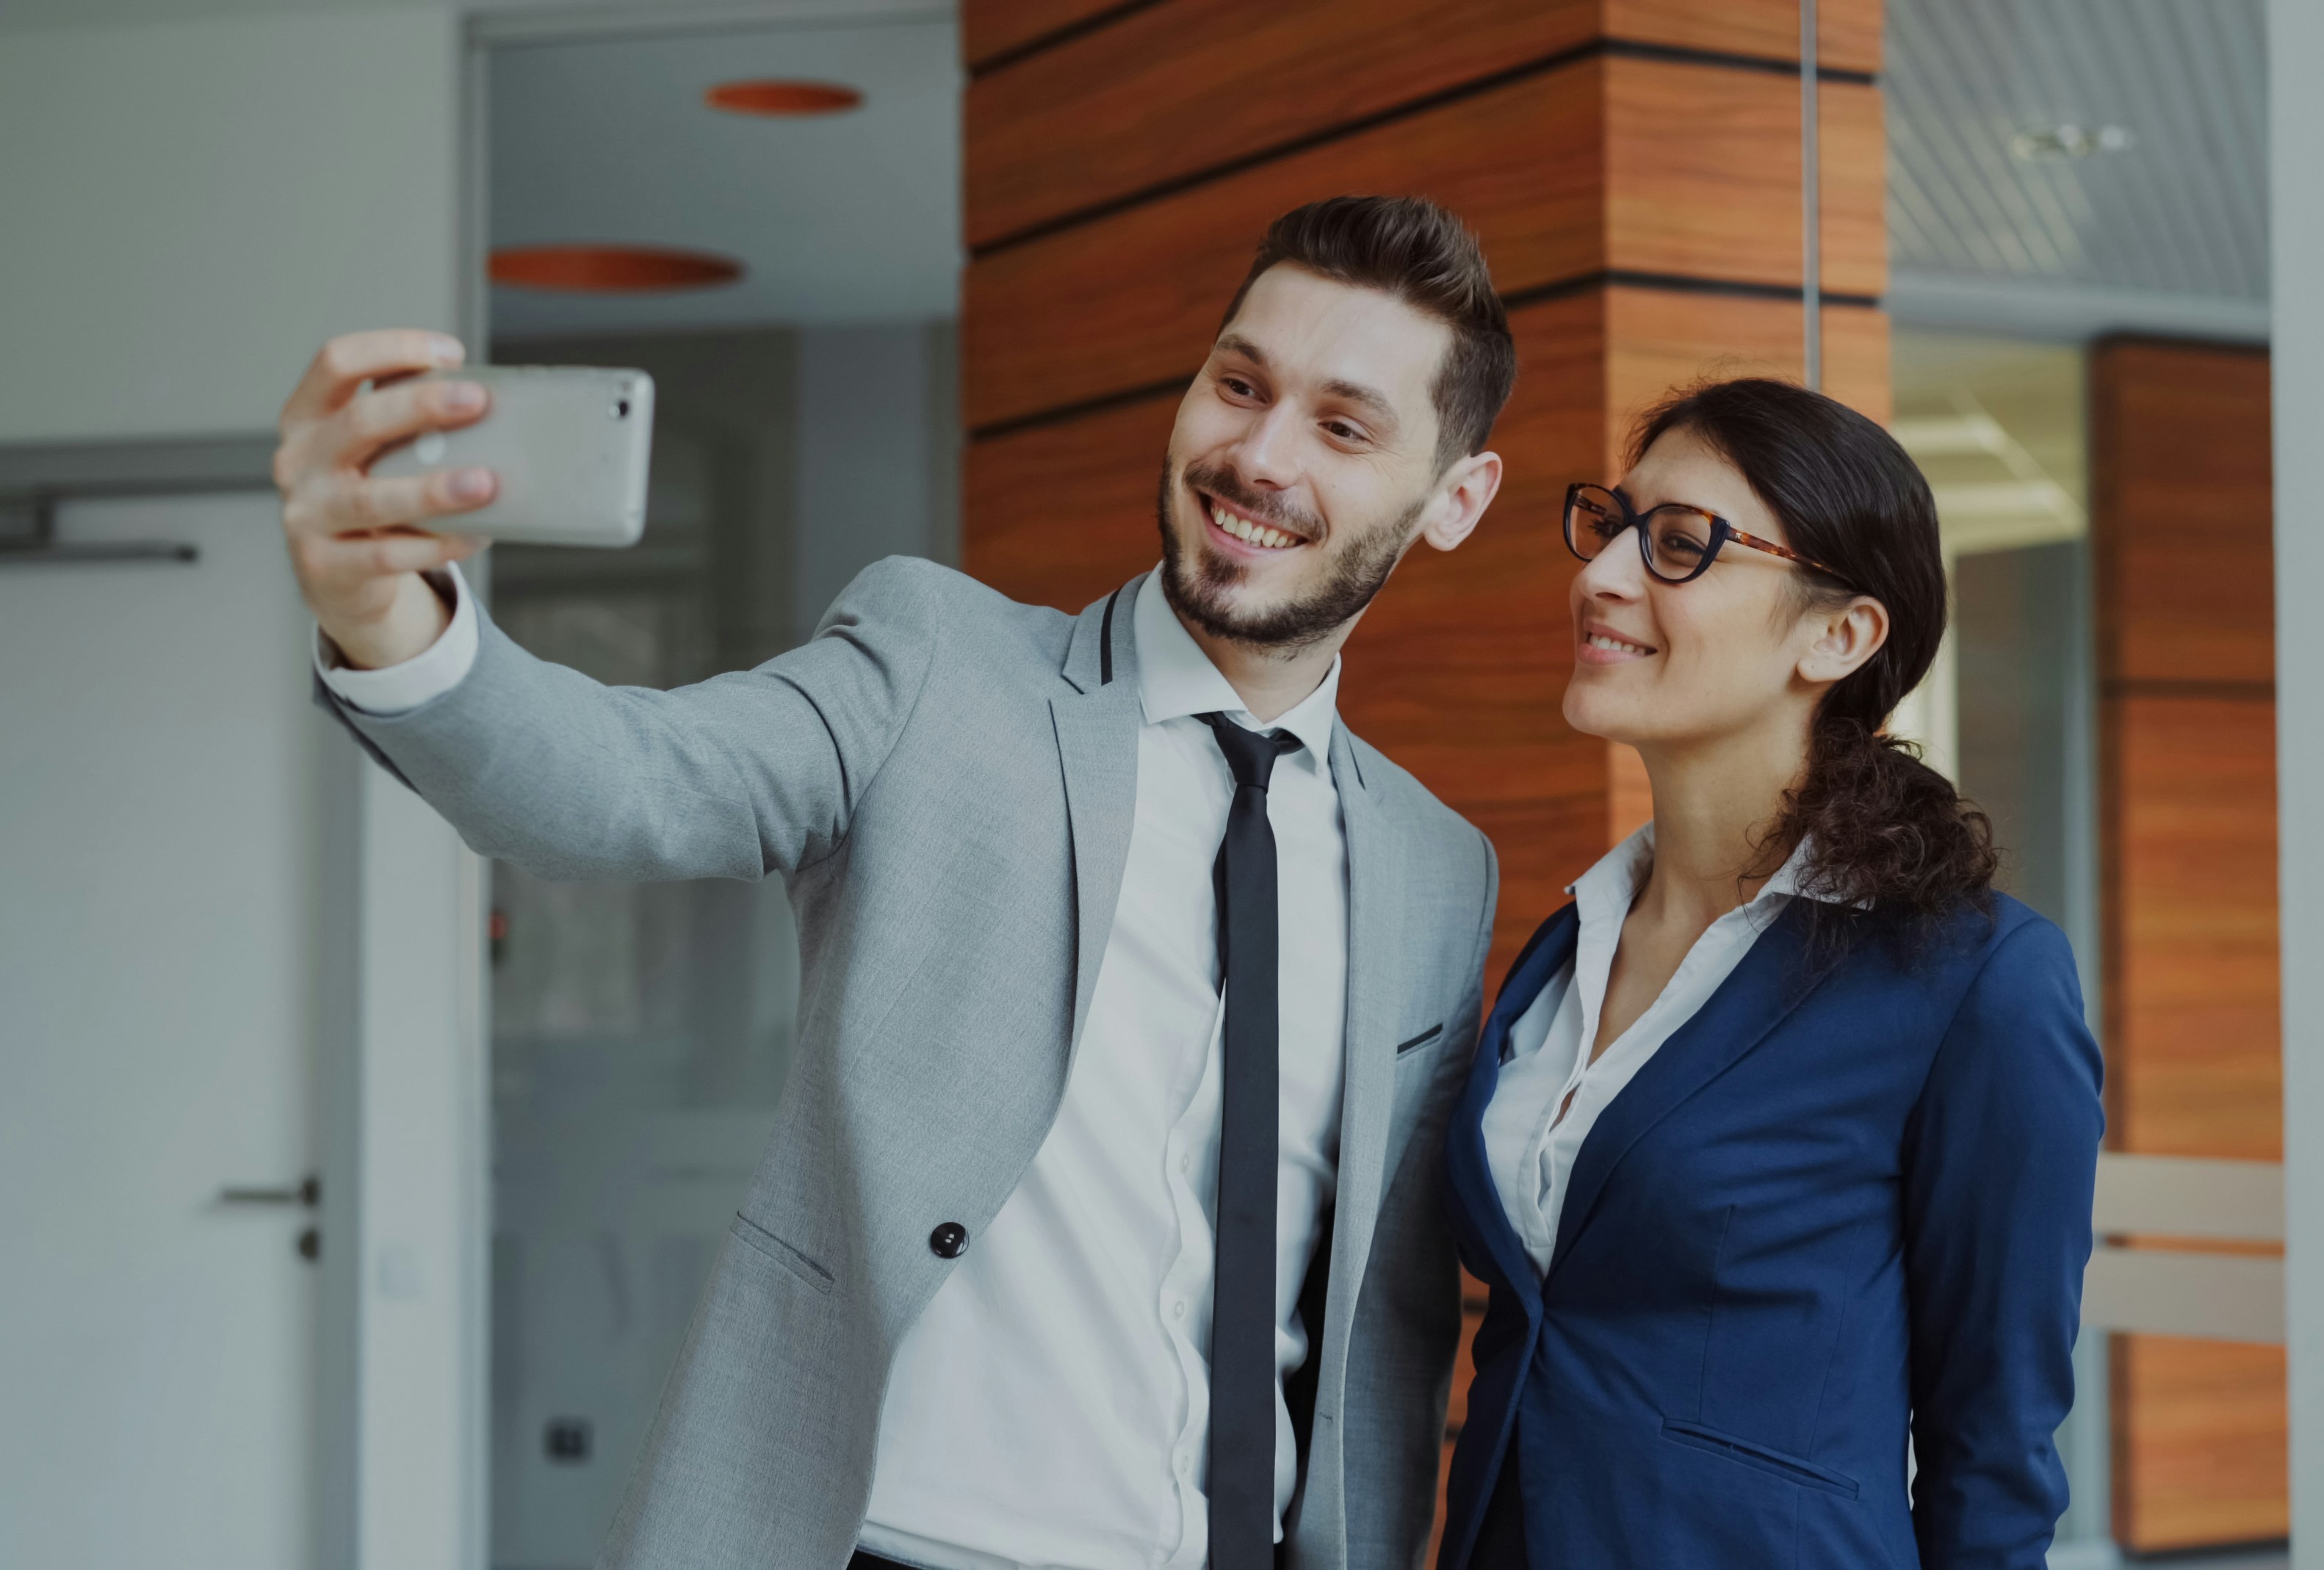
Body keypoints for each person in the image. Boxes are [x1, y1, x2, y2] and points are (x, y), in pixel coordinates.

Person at [271, 195, 1512, 1570]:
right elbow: (629, 783)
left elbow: (1388, 1320)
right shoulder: (937, 668)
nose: (1258, 454)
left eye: (1343, 426)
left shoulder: (1434, 866)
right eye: (1239, 382)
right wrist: (392, 624)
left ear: (1455, 498)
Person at [1436, 378, 2104, 1569]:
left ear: (1839, 634)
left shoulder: (1978, 981)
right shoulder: (1565, 947)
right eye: (1612, 524)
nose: (1601, 576)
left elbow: (1994, 1449)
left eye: (1682, 545)